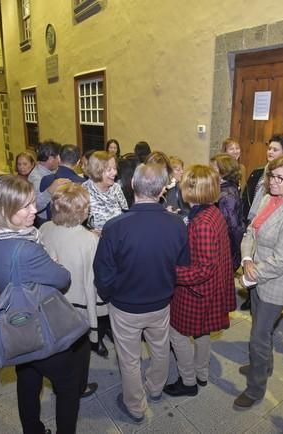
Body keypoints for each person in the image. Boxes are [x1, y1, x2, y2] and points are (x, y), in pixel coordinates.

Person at [0, 175, 91, 434]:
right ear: (3, 210)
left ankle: (32, 429)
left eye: (33, 202)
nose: (35, 210)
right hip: (39, 327)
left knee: (28, 376)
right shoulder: (26, 248)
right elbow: (62, 278)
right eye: (26, 206)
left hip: (17, 327)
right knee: (67, 385)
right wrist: (52, 261)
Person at [94, 163, 189, 423]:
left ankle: (136, 406)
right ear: (161, 190)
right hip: (161, 302)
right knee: (160, 349)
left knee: (129, 357)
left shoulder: (115, 226)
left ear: (132, 185)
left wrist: (110, 294)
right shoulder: (178, 224)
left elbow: (102, 271)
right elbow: (182, 264)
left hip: (125, 305)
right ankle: (155, 388)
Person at [234, 155, 283, 409]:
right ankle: (264, 366)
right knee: (261, 328)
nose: (273, 182)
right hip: (257, 275)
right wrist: (246, 258)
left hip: (275, 283)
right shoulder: (268, 199)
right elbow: (250, 232)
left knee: (258, 336)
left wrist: (249, 275)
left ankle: (256, 389)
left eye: (281, 178)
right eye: (271, 176)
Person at [163, 165, 235, 397]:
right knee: (202, 332)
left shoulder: (202, 223)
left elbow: (202, 269)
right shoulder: (211, 212)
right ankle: (202, 373)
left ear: (192, 190)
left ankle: (188, 381)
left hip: (198, 292)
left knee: (177, 333)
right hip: (210, 289)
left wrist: (171, 273)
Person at [40, 183, 110, 359]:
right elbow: (93, 278)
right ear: (82, 210)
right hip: (78, 306)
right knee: (78, 351)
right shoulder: (89, 240)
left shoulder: (44, 228)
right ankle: (77, 386)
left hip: (49, 300)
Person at [239, 133, 283, 311]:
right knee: (251, 255)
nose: (270, 151)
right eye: (269, 148)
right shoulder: (259, 172)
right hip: (254, 217)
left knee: (263, 258)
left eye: (275, 149)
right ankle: (251, 294)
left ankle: (256, 288)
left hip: (270, 224)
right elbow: (248, 195)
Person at [210, 153, 244, 271]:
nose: (210, 171)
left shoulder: (227, 196)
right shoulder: (225, 189)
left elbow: (233, 228)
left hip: (225, 249)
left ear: (223, 172)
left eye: (213, 168)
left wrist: (236, 254)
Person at [83, 151, 128, 231]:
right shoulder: (84, 191)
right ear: (97, 170)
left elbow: (125, 214)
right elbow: (77, 224)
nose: (115, 173)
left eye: (114, 168)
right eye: (109, 169)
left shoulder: (116, 188)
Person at [39, 144, 85, 219]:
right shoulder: (83, 183)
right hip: (75, 226)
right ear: (78, 162)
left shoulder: (46, 179)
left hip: (52, 226)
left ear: (59, 158)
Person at [27, 140, 62, 226]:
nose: (59, 161)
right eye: (58, 157)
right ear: (50, 159)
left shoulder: (53, 170)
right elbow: (36, 206)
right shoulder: (35, 178)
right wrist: (49, 191)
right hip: (45, 220)